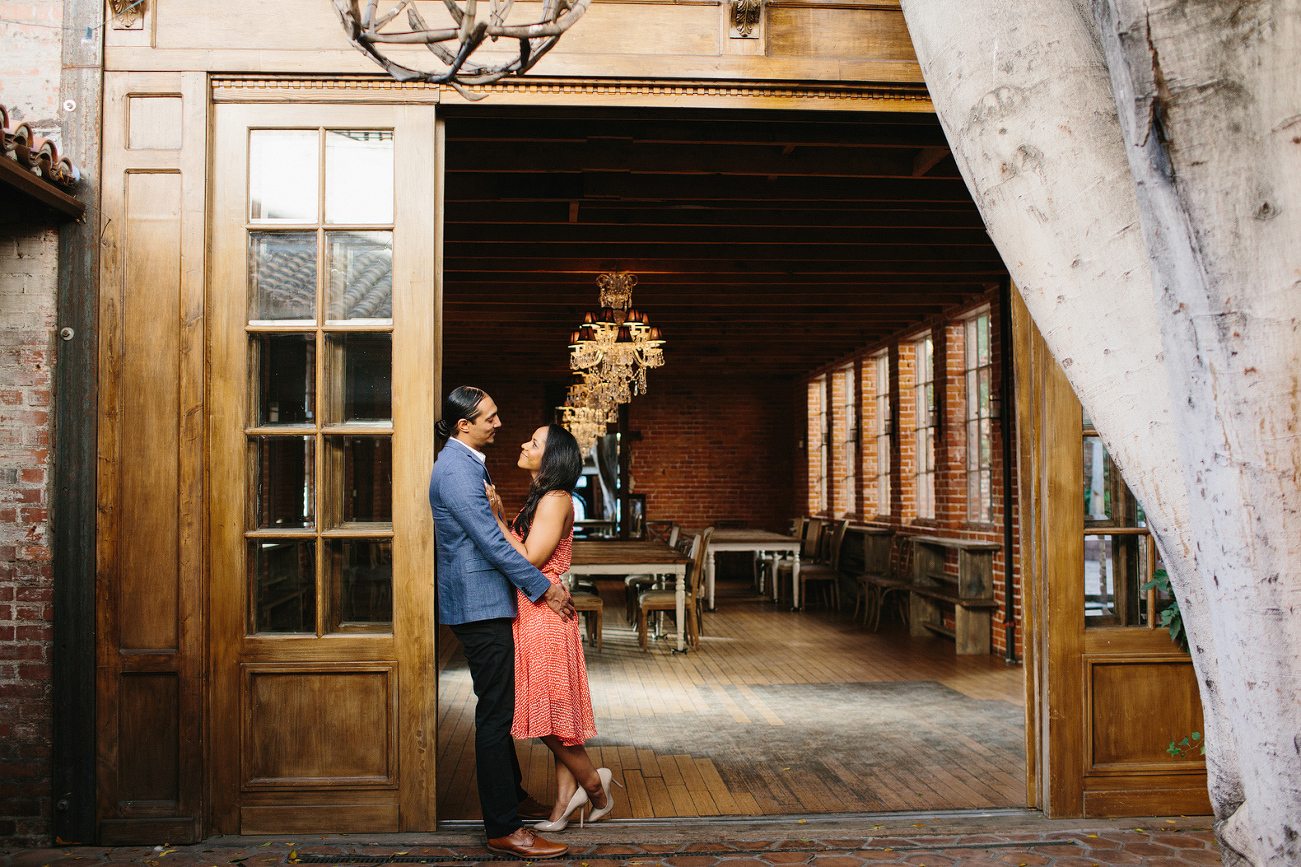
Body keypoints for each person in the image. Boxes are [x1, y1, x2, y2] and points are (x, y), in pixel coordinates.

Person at [429, 387, 575, 859]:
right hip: (479, 604)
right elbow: (492, 543)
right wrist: (544, 588)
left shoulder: (467, 461)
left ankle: (508, 797)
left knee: (501, 706)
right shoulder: (455, 468)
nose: (498, 424)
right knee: (495, 713)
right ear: (463, 425)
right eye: (489, 417)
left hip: (487, 602)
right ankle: (503, 827)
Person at [486, 423, 617, 831]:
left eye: (534, 442)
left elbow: (528, 560)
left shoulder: (556, 499)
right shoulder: (545, 497)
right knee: (557, 713)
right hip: (536, 610)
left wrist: (496, 517)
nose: (524, 444)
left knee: (546, 715)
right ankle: (563, 805)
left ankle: (595, 787)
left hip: (543, 615)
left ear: (552, 457)